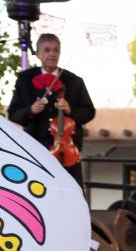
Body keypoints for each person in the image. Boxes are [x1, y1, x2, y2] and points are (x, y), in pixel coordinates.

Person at [6, 33, 96, 186]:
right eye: (47, 50)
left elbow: (89, 111)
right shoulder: (25, 79)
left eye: (56, 50)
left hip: (67, 152)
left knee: (73, 192)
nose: (52, 54)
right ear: (38, 53)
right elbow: (13, 113)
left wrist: (70, 110)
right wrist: (30, 110)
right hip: (35, 149)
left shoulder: (74, 81)